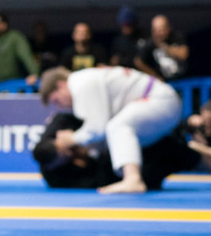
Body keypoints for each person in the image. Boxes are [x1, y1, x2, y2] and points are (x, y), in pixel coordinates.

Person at [40, 65, 184, 194]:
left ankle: (133, 179)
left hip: (159, 100)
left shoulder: (80, 84)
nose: (61, 106)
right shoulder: (85, 79)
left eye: (56, 101)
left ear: (60, 85)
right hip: (161, 101)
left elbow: (98, 129)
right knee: (117, 138)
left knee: (117, 126)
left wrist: (72, 138)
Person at [33, 110, 199, 190]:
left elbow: (85, 114)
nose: (70, 152)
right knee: (155, 167)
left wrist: (80, 137)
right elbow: (97, 182)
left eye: (66, 149)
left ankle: (193, 144)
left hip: (115, 132)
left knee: (168, 146)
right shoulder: (55, 178)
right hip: (111, 166)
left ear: (56, 140)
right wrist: (92, 158)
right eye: (66, 156)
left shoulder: (60, 125)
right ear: (53, 166)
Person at [135, 14, 188, 82]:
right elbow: (138, 62)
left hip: (183, 79)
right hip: (163, 82)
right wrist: (155, 76)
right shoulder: (149, 44)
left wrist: (165, 48)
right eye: (158, 30)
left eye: (163, 29)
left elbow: (184, 54)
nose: (161, 33)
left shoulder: (176, 37)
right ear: (153, 31)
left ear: (168, 28)